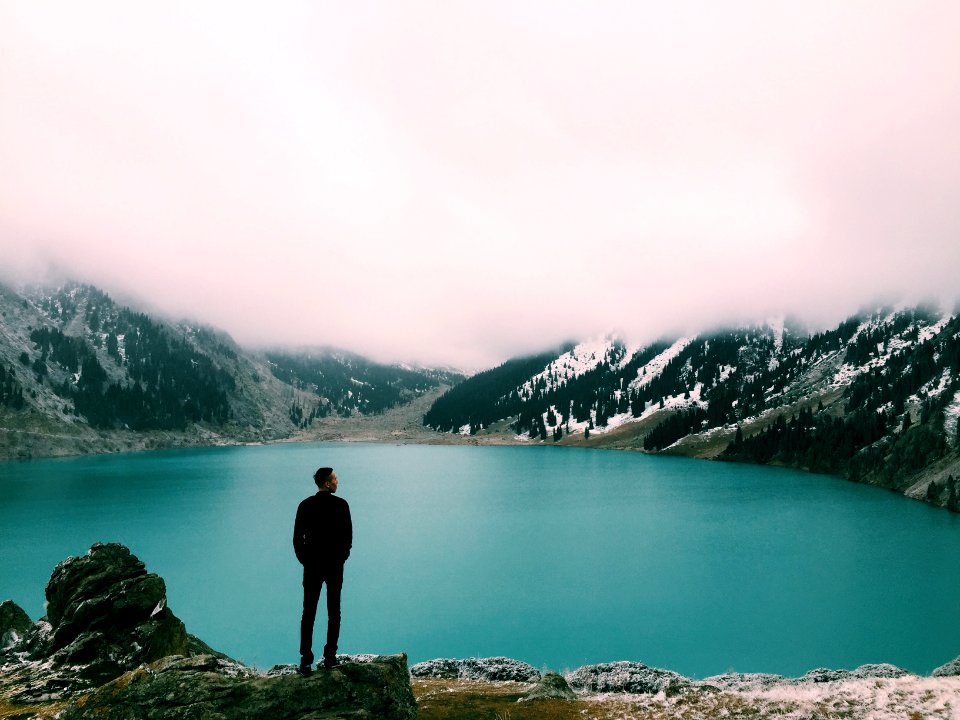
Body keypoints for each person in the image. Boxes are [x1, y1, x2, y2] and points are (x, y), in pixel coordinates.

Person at [293, 466, 352, 676]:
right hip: (334, 567)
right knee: (333, 612)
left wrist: (306, 561)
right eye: (335, 479)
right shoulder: (341, 505)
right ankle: (330, 658)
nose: (337, 482)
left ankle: (306, 660)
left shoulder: (305, 505)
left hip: (312, 567)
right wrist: (341, 558)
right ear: (327, 483)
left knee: (308, 613)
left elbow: (297, 539)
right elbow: (348, 537)